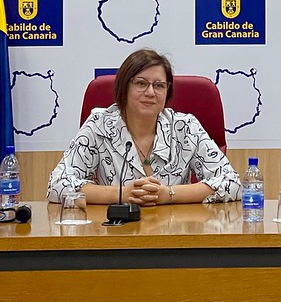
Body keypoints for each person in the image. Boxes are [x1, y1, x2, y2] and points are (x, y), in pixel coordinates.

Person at [48, 49, 241, 205]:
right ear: (124, 87)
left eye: (159, 86)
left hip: (175, 236)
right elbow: (57, 185)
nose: (150, 92)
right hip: (114, 235)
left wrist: (169, 194)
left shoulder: (185, 127)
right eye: (141, 83)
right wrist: (122, 195)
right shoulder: (99, 125)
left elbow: (232, 183)